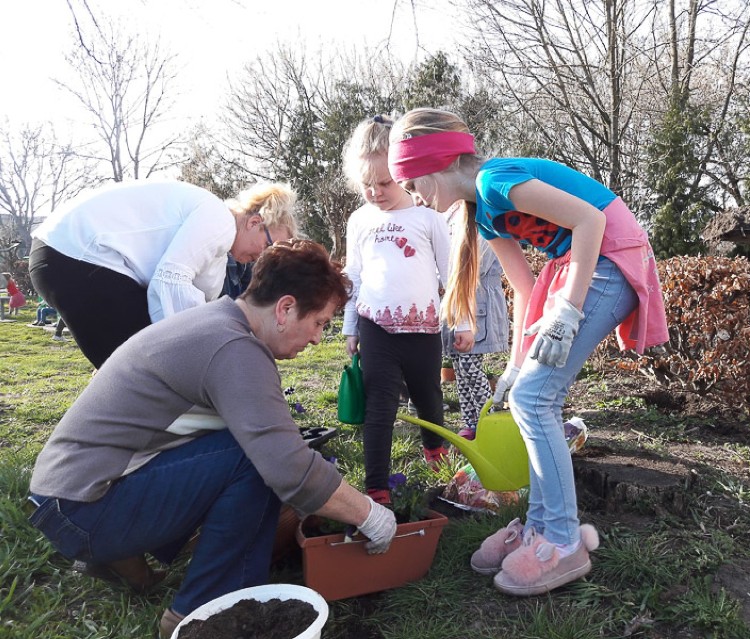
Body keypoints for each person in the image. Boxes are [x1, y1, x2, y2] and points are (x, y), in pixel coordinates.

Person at [26, 239, 398, 639]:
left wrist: (318, 481)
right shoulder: (233, 347)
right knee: (255, 462)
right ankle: (202, 609)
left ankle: (123, 557)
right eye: (320, 323)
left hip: (68, 497)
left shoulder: (217, 321)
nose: (316, 338)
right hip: (83, 509)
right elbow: (287, 465)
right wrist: (369, 515)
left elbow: (270, 435)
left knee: (254, 451)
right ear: (286, 308)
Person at [388, 108, 669, 596]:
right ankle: (541, 529)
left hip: (611, 257)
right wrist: (516, 365)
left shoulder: (496, 180)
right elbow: (523, 286)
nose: (412, 195)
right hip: (579, 266)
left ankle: (561, 541)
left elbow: (590, 219)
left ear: (435, 162)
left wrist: (569, 310)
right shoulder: (485, 213)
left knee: (535, 401)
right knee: (530, 396)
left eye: (410, 182)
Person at [29, 180, 298, 369]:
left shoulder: (219, 248)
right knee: (141, 371)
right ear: (254, 223)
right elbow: (170, 280)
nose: (263, 259)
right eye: (268, 246)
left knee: (136, 368)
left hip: (68, 254)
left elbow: (203, 310)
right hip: (75, 254)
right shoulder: (219, 219)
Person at [341, 114, 452, 505]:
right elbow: (352, 277)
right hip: (376, 328)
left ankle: (436, 453)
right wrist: (351, 329)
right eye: (367, 185)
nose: (376, 192)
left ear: (403, 173)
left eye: (384, 183)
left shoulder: (428, 219)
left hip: (423, 330)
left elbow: (452, 275)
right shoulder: (359, 221)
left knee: (429, 399)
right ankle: (377, 488)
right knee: (380, 406)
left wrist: (462, 323)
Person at [440, 200, 509, 440]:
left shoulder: (480, 215)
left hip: (475, 301)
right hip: (456, 299)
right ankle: (470, 422)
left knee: (470, 367)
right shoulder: (449, 213)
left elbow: (474, 265)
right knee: (459, 367)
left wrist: (444, 273)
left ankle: (487, 420)